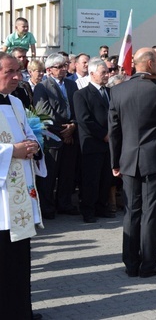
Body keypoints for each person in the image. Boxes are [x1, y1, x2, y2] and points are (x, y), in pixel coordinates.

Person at [109, 47, 156, 277]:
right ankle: (149, 263)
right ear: (149, 64)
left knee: (132, 211)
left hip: (129, 159)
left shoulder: (118, 91)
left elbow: (114, 130)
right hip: (155, 158)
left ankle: (131, 263)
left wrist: (115, 161)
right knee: (151, 211)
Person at [0, 52, 45, 319]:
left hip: (18, 199)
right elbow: (14, 147)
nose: (18, 77)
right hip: (1, 199)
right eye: (9, 72)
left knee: (19, 258)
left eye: (19, 71)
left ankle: (20, 311)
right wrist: (11, 152)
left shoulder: (16, 102)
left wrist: (34, 146)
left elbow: (30, 133)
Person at [33, 53, 80, 218]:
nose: (63, 70)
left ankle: (64, 204)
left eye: (64, 66)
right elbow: (43, 112)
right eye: (58, 67)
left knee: (67, 173)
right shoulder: (43, 87)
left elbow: (77, 107)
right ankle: (47, 207)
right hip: (52, 136)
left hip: (70, 134)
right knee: (50, 175)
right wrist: (64, 130)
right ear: (49, 70)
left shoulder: (72, 85)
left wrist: (73, 125)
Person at [73, 58, 116, 223]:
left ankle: (101, 206)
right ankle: (88, 210)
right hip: (93, 143)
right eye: (103, 72)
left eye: (107, 72)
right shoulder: (81, 94)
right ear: (92, 74)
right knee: (91, 178)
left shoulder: (111, 92)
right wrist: (103, 135)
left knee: (106, 177)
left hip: (109, 143)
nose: (107, 75)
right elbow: (84, 120)